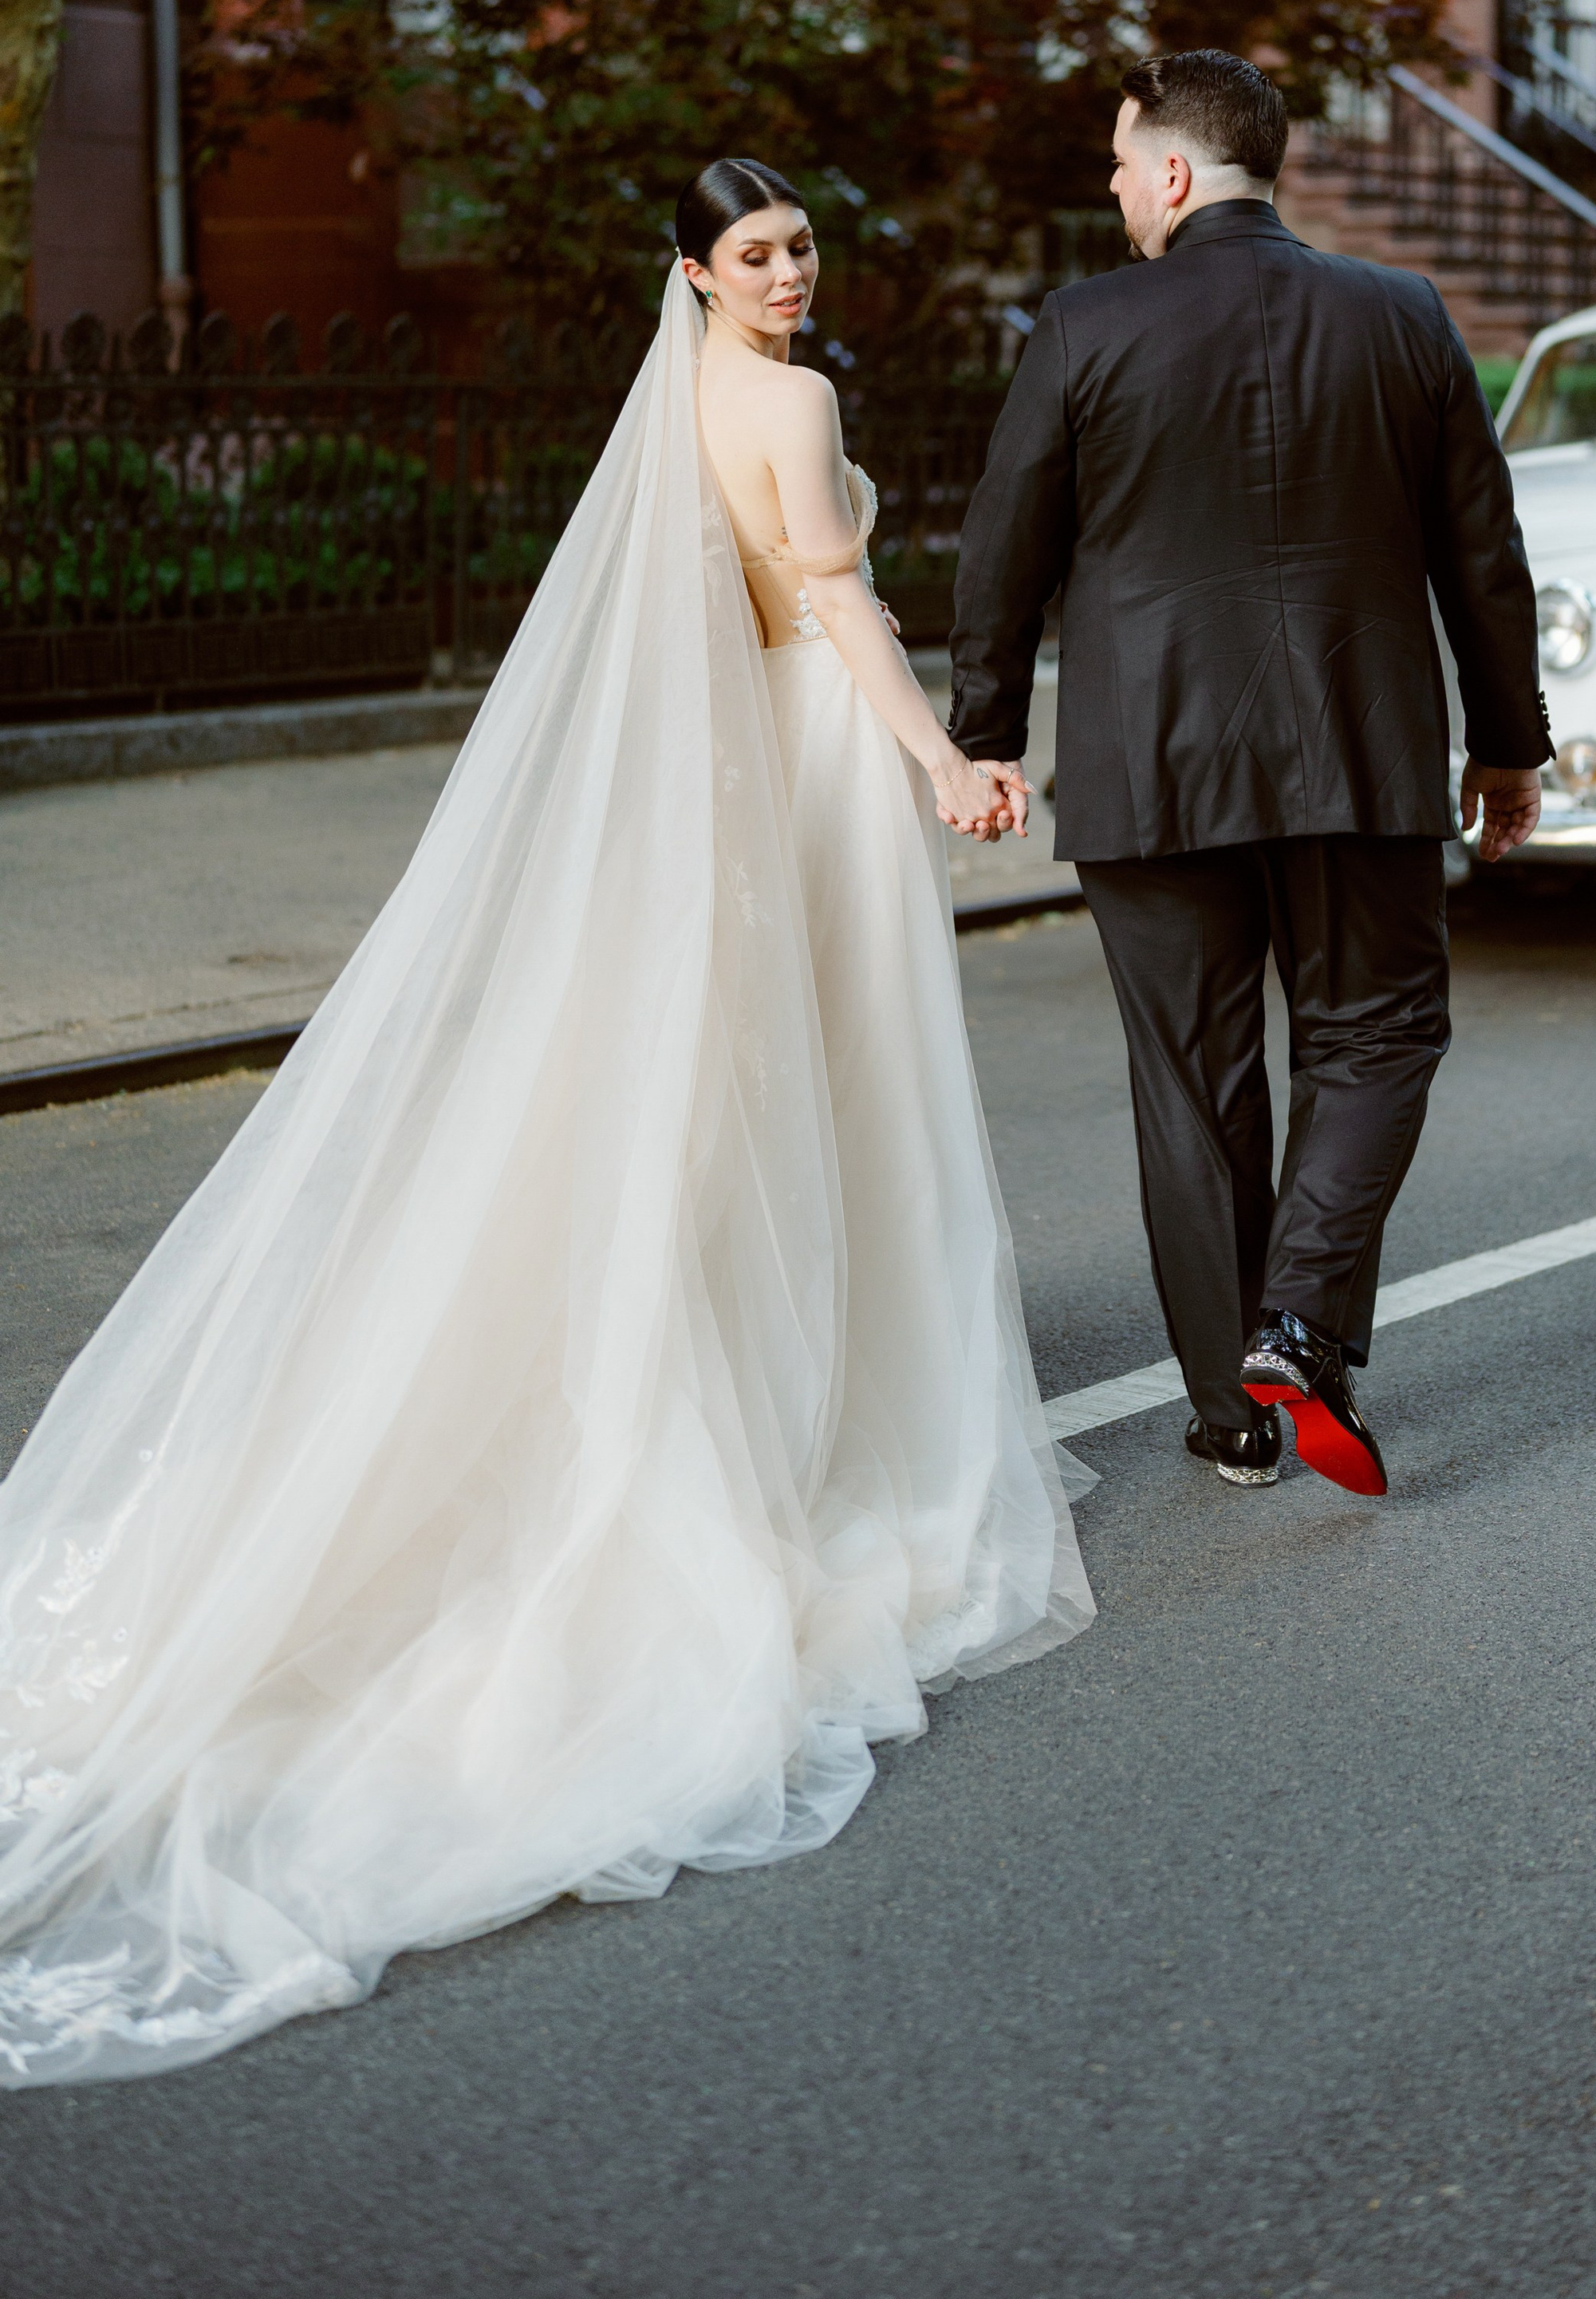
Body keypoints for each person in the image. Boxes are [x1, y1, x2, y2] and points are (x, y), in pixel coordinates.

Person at [0, 159, 1090, 2090]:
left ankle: (760, 1392)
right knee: (847, 1098)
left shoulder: (671, 402)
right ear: (695, 271)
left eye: (800, 246)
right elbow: (836, 609)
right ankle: (829, 1430)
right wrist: (941, 762)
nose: (786, 271)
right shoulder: (797, 400)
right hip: (817, 758)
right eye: (754, 253)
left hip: (722, 769)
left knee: (755, 1108)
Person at [947, 52, 1549, 1497]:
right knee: (1377, 1034)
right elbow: (1485, 550)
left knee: (1193, 1084)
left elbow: (1001, 539)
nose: (1109, 186)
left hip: (1150, 767)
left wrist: (984, 734)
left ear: (1171, 172)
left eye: (1116, 160)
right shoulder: (1402, 314)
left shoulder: (1085, 325)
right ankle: (1301, 1322)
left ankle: (1234, 1415)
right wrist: (1508, 739)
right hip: (1357, 751)